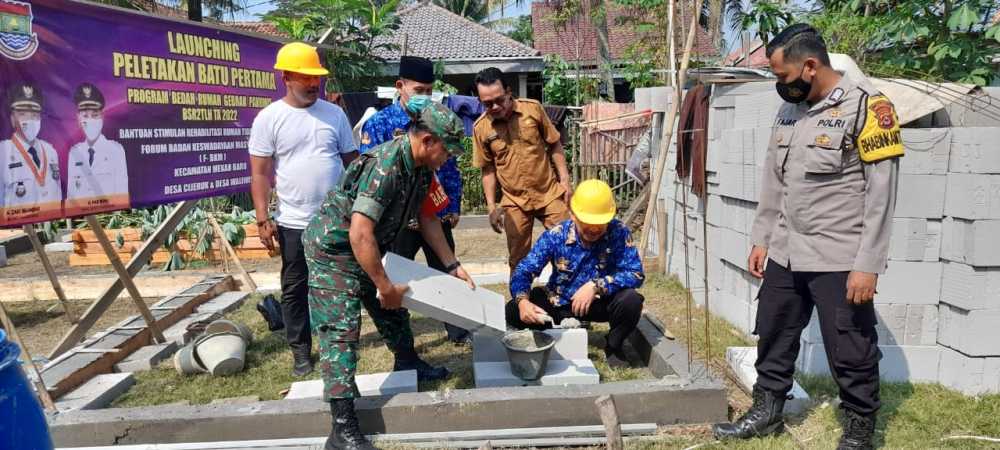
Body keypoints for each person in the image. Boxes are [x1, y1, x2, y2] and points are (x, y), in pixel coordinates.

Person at [711, 24, 902, 450]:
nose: (780, 85)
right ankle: (767, 410)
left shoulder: (868, 109)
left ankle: (859, 430)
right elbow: (773, 181)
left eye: (783, 75)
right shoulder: (789, 110)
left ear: (810, 66)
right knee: (774, 334)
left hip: (840, 256)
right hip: (785, 250)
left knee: (850, 348)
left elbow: (882, 196)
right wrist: (762, 238)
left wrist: (867, 264)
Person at [302, 102, 474, 450]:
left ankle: (408, 360)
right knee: (341, 331)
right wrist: (384, 285)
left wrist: (452, 265)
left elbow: (427, 219)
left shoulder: (422, 168)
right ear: (427, 140)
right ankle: (342, 428)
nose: (448, 158)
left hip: (363, 245)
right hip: (333, 249)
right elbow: (358, 233)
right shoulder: (386, 167)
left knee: (391, 309)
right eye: (447, 150)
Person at [249, 42, 359, 377]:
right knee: (295, 288)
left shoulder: (334, 114)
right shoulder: (270, 119)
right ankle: (300, 351)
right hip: (294, 222)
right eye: (305, 78)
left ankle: (338, 344)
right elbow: (259, 173)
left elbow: (351, 163)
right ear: (286, 77)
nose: (313, 84)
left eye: (317, 78)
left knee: (341, 284)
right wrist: (262, 218)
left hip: (336, 219)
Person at [360, 55, 470, 349]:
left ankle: (458, 330)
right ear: (401, 86)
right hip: (398, 222)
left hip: (434, 212)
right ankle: (401, 339)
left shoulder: (437, 119)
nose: (424, 96)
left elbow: (449, 167)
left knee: (447, 270)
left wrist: (453, 204)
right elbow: (370, 173)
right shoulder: (380, 124)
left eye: (429, 91)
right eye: (419, 90)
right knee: (398, 276)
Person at [506, 179, 644, 368]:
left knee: (631, 301)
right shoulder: (556, 235)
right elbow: (524, 270)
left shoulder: (619, 232)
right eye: (587, 222)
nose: (594, 229)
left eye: (600, 223)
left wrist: (597, 286)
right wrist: (523, 302)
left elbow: (636, 273)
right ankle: (552, 332)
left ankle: (614, 346)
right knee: (513, 309)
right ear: (573, 214)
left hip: (599, 303)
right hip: (559, 302)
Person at [472, 67, 572, 273]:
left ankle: (569, 300)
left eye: (499, 100)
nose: (494, 107)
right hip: (514, 201)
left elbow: (554, 143)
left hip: (549, 193)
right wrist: (492, 207)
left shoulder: (532, 109)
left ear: (509, 91)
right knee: (518, 260)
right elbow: (488, 169)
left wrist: (565, 181)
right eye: (487, 103)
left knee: (568, 248)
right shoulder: (481, 128)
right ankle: (520, 303)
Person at [0, 83, 61, 223]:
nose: (30, 120)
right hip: (17, 232)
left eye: (34, 115)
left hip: (52, 227)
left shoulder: (50, 151)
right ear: (12, 119)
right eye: (22, 114)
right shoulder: (2, 152)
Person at [66, 83, 130, 215]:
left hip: (108, 219)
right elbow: (71, 197)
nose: (90, 120)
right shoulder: (74, 153)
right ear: (78, 119)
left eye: (95, 115)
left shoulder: (116, 151)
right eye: (85, 116)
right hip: (82, 219)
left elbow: (122, 196)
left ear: (102, 117)